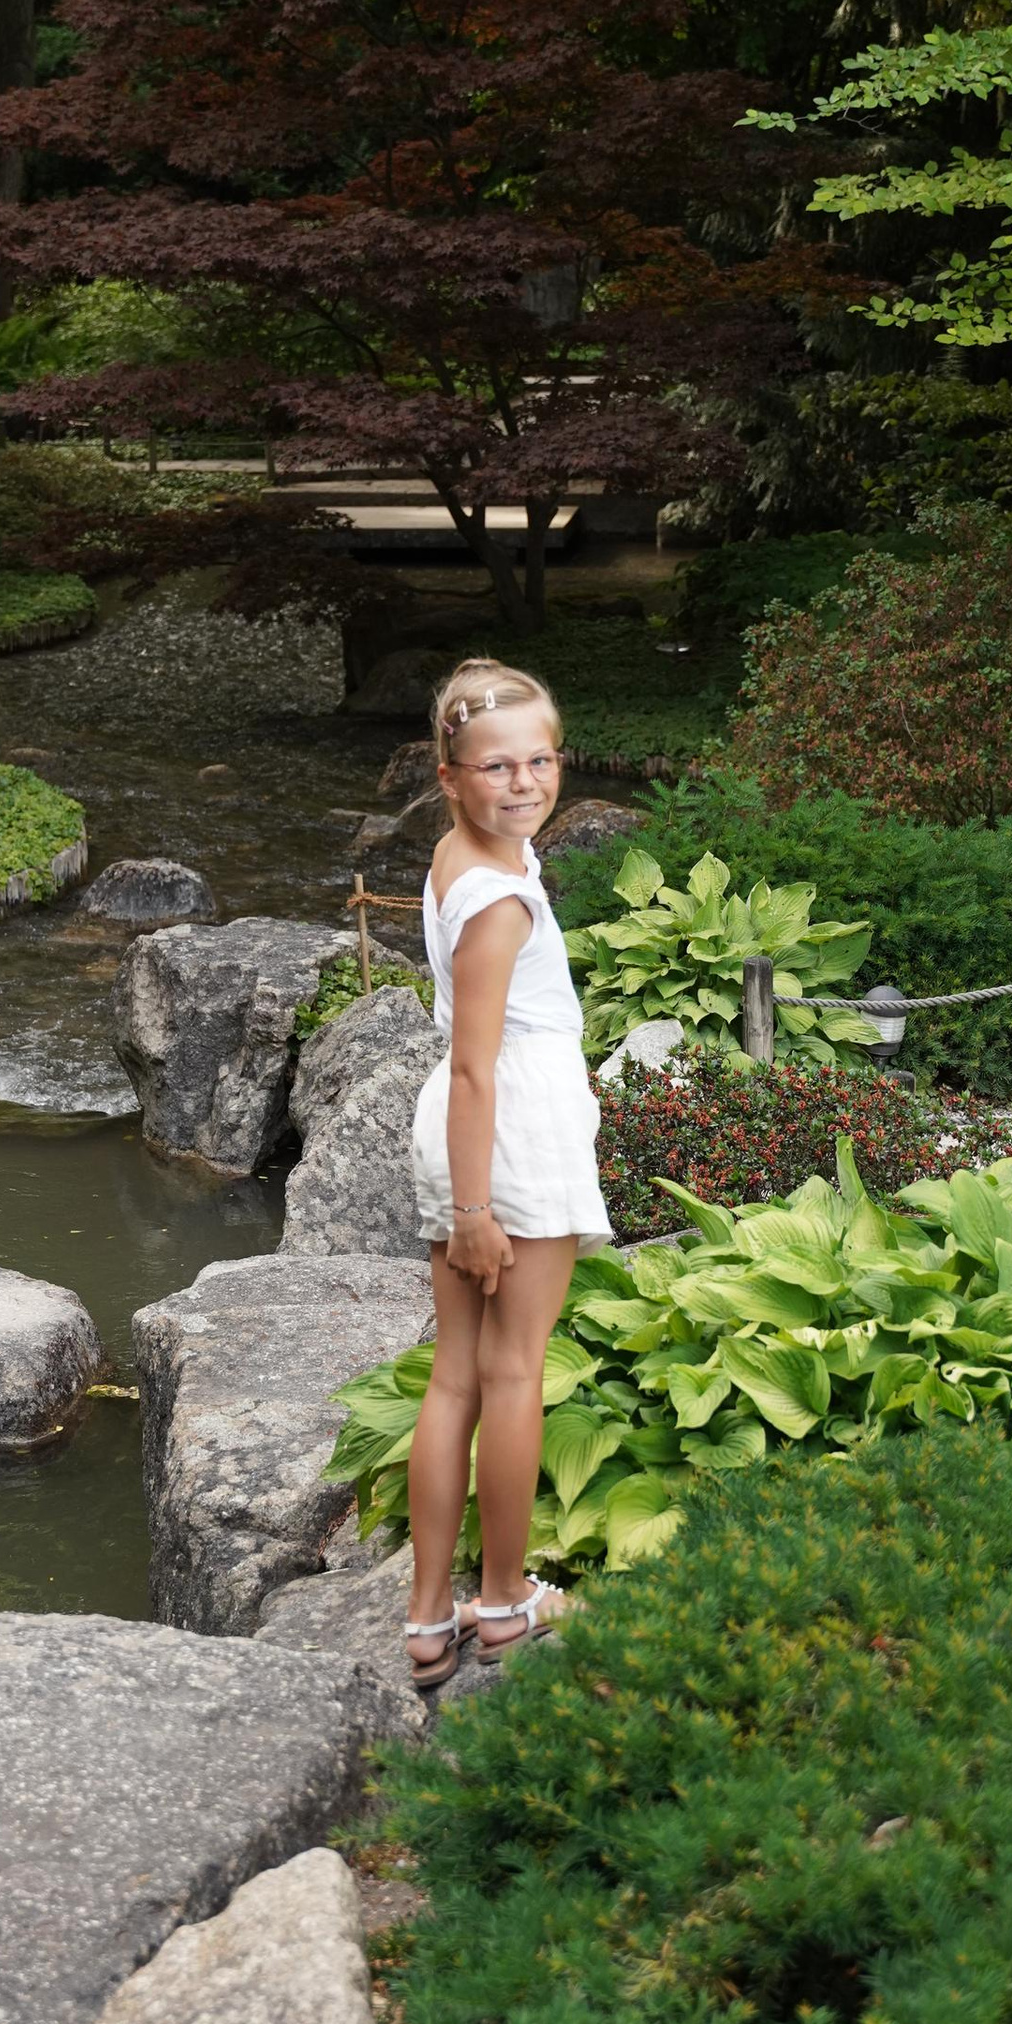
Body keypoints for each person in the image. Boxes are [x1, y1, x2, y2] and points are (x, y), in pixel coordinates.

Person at [403, 658, 610, 1698]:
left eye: (539, 759)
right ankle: (501, 1601)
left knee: (455, 1375)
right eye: (496, 767)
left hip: (473, 1122)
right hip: (507, 1131)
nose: (524, 781)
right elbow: (482, 1063)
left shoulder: (461, 857)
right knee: (511, 1374)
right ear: (451, 775)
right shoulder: (499, 903)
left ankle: (426, 1617)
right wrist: (475, 1212)